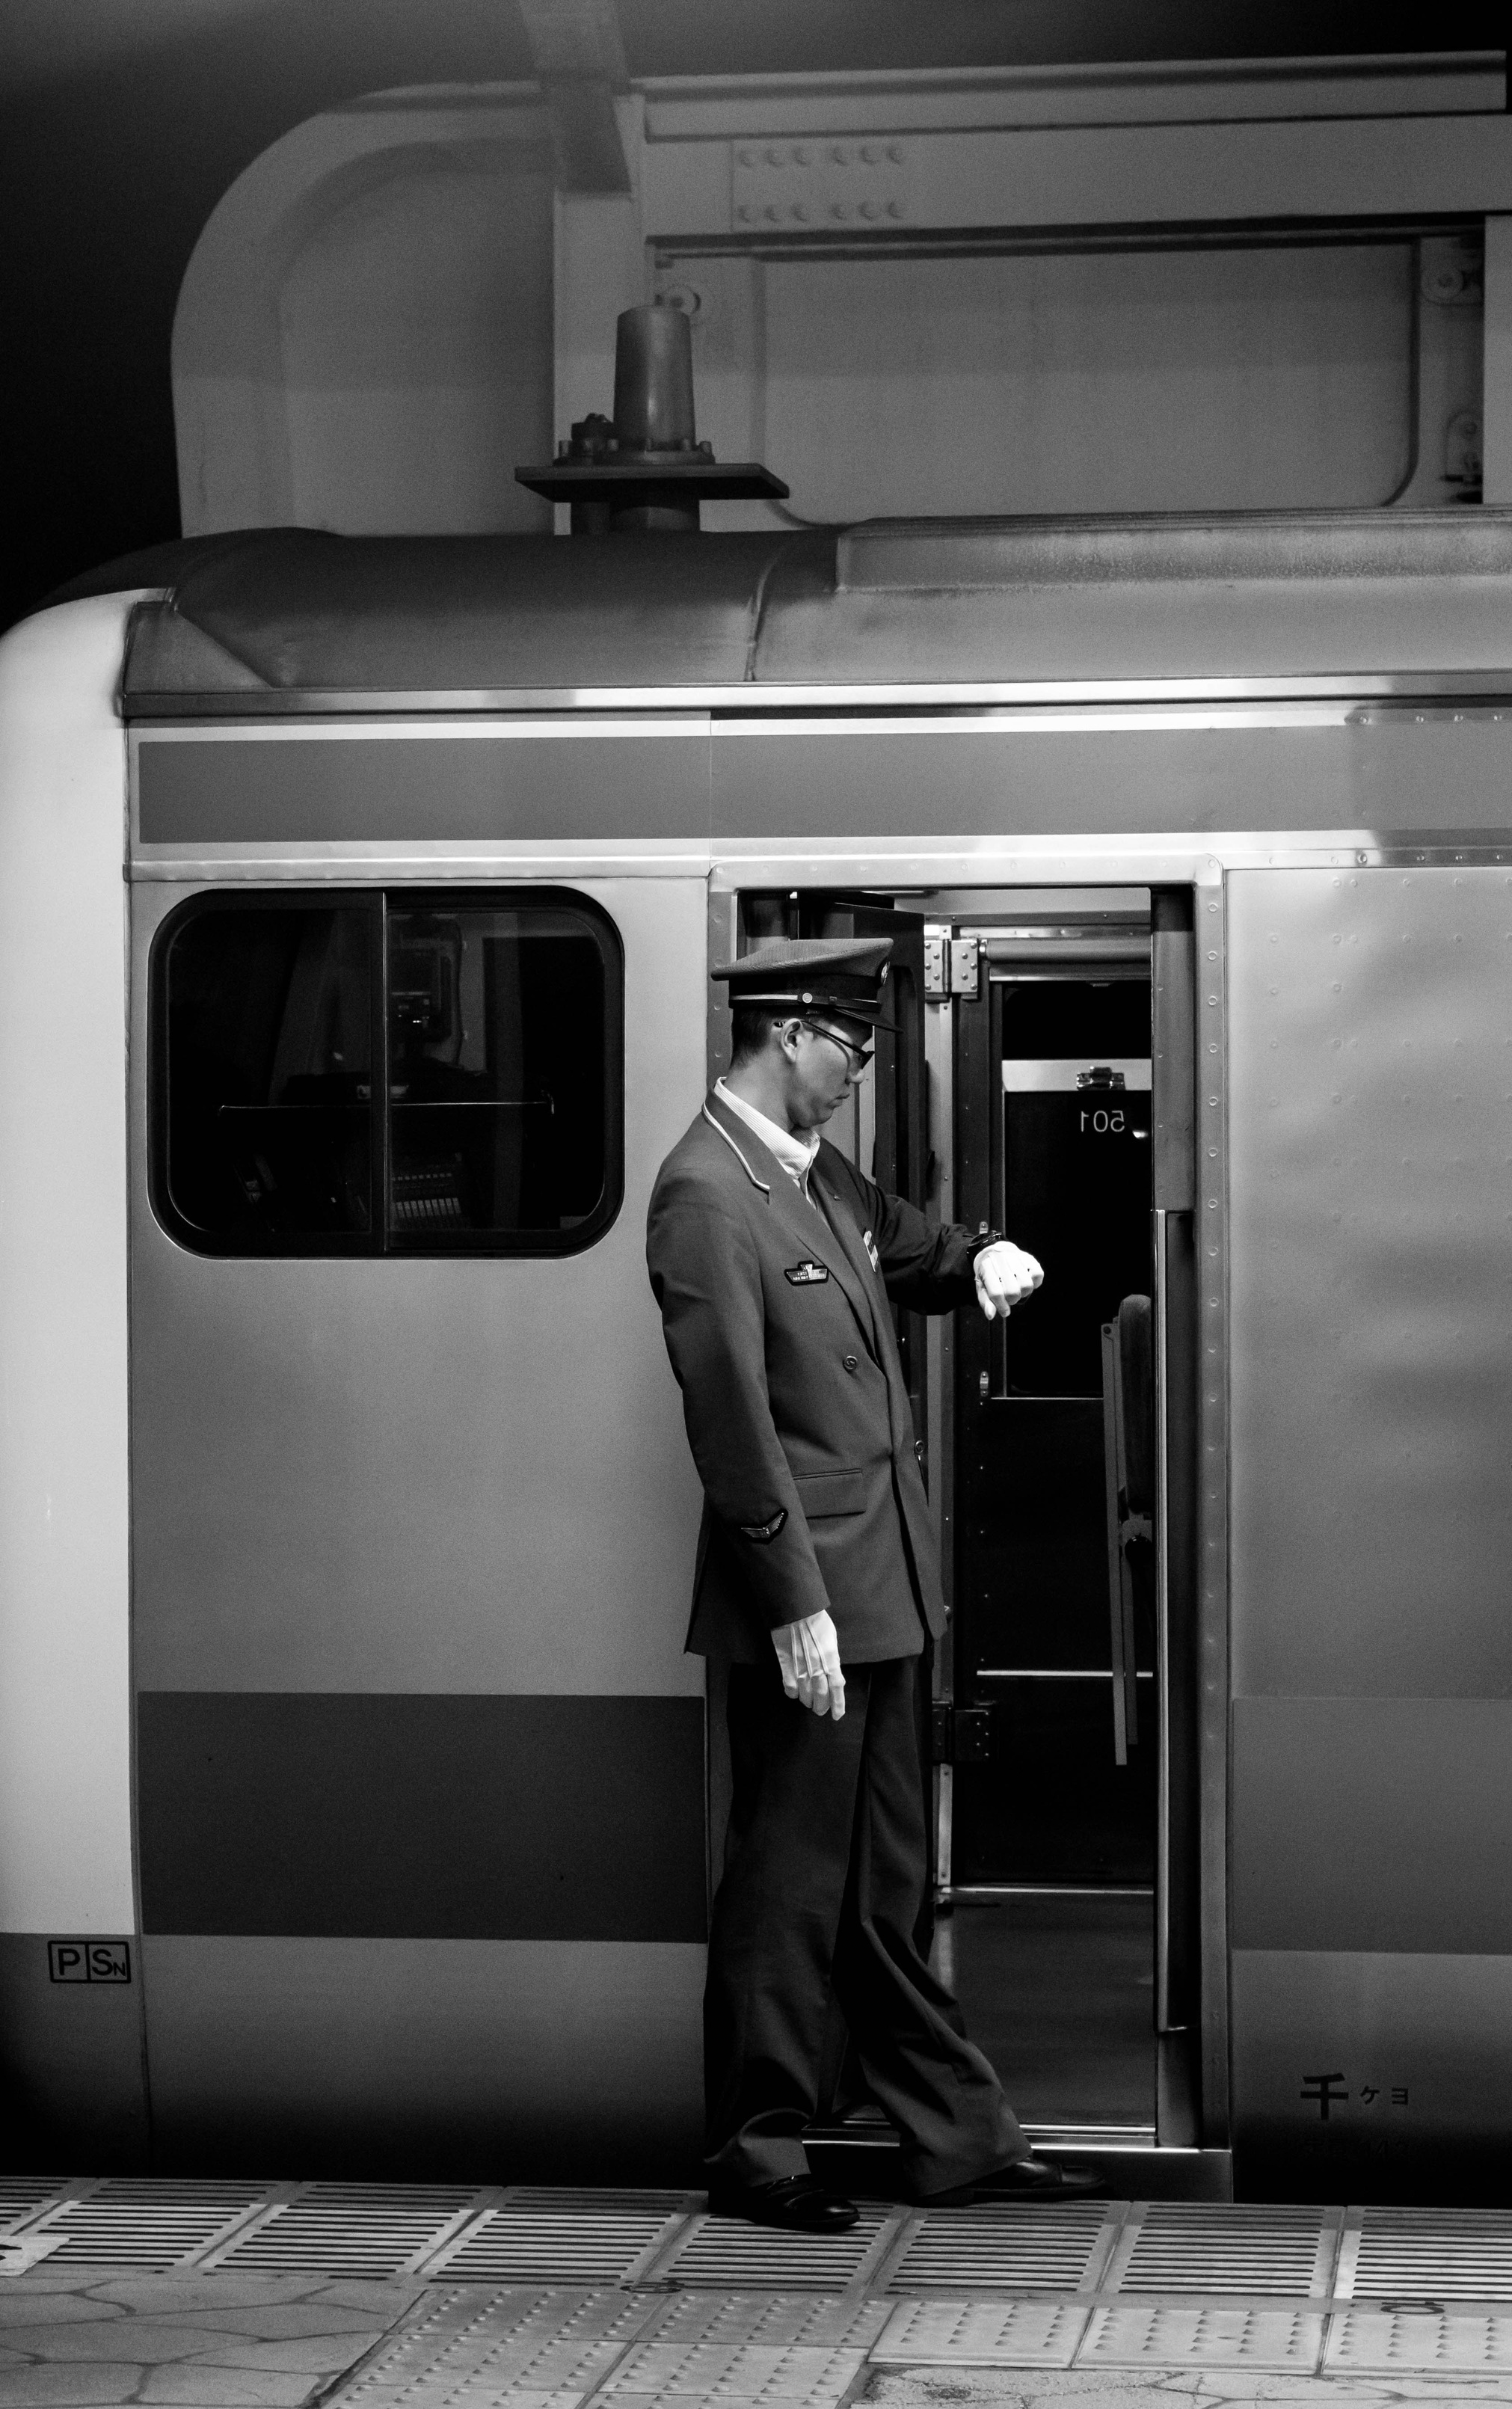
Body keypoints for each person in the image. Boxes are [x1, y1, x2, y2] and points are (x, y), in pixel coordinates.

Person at [645, 935, 1101, 2233]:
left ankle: (951, 2135)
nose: (856, 1072)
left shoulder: (804, 1170)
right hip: (811, 1600)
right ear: (789, 1031)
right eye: (849, 1047)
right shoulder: (705, 1191)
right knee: (790, 1880)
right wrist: (793, 1602)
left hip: (884, 1590)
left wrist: (978, 1256)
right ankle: (755, 2146)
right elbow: (730, 1415)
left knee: (887, 1874)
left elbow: (904, 1242)